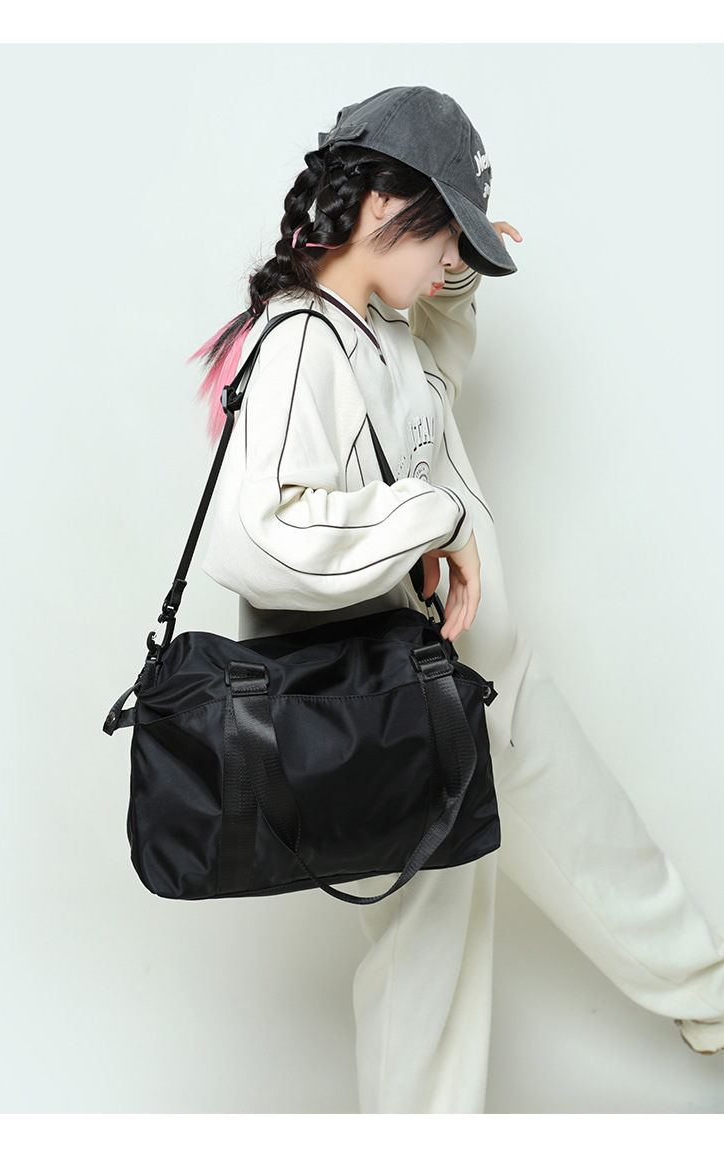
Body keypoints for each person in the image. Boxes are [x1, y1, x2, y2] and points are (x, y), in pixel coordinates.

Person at [194, 86, 724, 1113]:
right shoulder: (298, 342)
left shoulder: (377, 327)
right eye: (443, 232)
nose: (448, 260)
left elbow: (428, 381)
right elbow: (256, 535)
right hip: (391, 708)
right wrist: (434, 520)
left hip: (475, 672)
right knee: (429, 962)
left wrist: (459, 273)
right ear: (381, 202)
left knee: (610, 855)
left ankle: (710, 1007)